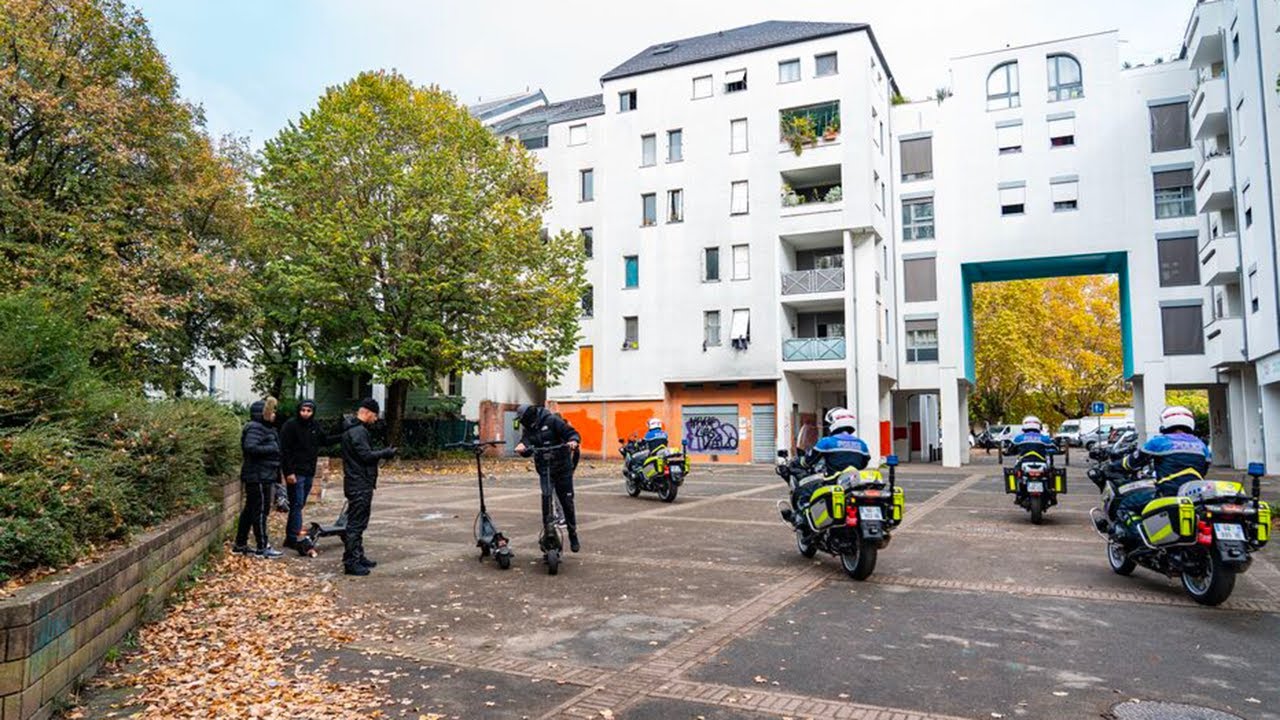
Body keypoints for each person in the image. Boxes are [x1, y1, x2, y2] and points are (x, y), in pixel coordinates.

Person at [1108, 405, 1211, 543]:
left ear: (1165, 422)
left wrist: (1112, 466)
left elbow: (1132, 463)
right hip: (1194, 496)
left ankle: (1141, 539)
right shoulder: (1201, 445)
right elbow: (1204, 470)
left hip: (1168, 493)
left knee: (1126, 506)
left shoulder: (1160, 442)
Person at [514, 404, 583, 552]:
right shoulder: (529, 429)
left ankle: (572, 533)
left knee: (567, 501)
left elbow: (571, 433)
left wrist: (573, 441)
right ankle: (548, 532)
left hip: (562, 467)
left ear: (529, 415)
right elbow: (527, 444)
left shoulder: (552, 421)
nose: (522, 422)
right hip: (545, 468)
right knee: (546, 498)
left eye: (522, 419)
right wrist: (522, 447)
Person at [340, 398, 397, 576]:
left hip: (357, 481)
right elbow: (365, 456)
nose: (376, 419)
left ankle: (357, 556)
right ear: (367, 413)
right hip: (359, 482)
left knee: (358, 522)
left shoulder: (353, 430)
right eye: (375, 415)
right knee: (356, 524)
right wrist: (385, 453)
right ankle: (351, 561)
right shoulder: (358, 432)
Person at [280, 399, 340, 556]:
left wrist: (343, 435)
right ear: (298, 410)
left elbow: (325, 440)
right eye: (303, 410)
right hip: (295, 471)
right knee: (297, 503)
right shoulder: (290, 426)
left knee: (299, 504)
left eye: (309, 411)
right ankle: (295, 537)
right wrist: (288, 472)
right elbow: (284, 450)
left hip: (308, 470)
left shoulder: (315, 426)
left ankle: (290, 536)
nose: (305, 413)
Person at [790, 408, 870, 526]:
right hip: (854, 482)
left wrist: (798, 462)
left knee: (803, 492)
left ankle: (804, 521)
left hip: (833, 481)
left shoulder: (827, 442)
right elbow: (863, 464)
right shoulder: (862, 444)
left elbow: (808, 462)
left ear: (834, 423)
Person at [234, 399, 284, 558]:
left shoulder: (264, 428)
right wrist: (272, 448)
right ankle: (263, 547)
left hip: (262, 474)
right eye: (272, 411)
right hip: (258, 476)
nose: (275, 414)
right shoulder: (255, 428)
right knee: (260, 511)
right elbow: (250, 447)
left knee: (250, 510)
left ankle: (240, 544)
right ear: (264, 413)